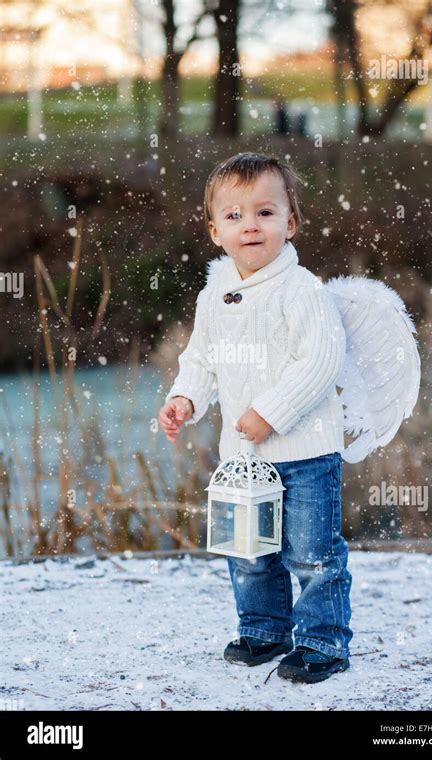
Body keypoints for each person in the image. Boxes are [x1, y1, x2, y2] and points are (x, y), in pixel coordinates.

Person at [158, 151, 353, 684]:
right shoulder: (214, 296)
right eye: (235, 215)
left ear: (290, 223)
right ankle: (264, 629)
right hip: (243, 459)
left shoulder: (302, 290)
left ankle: (321, 641)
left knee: (311, 553)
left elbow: (319, 362)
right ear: (214, 230)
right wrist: (186, 399)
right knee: (249, 549)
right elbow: (201, 359)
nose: (251, 225)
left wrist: (270, 412)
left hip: (306, 452)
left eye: (266, 213)